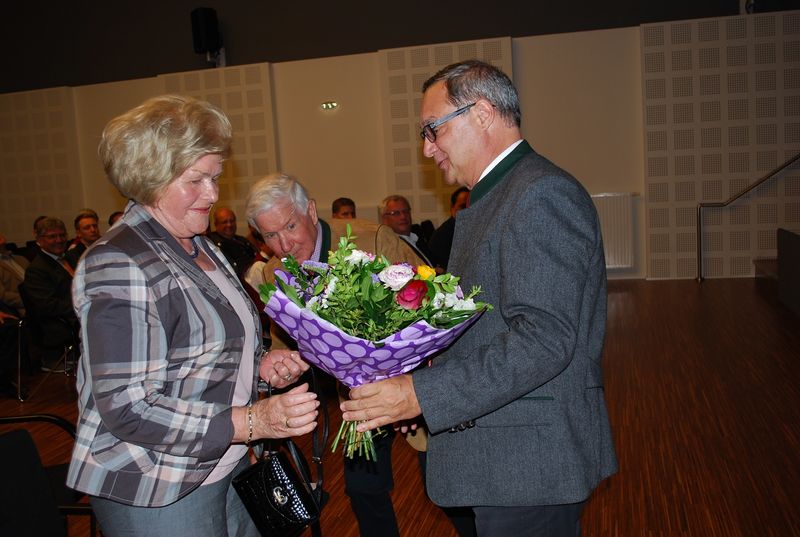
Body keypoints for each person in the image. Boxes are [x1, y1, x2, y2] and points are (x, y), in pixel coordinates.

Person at [341, 60, 618, 537]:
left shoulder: (539, 193)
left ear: (483, 113)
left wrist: (420, 395)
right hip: (506, 458)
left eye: (433, 129)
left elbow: (544, 340)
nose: (427, 148)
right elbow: (486, 328)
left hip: (529, 465)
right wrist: (419, 384)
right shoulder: (499, 196)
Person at [66, 95, 320, 537]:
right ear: (150, 178)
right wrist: (254, 421)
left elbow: (196, 353)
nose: (213, 194)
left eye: (215, 177)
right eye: (196, 180)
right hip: (157, 483)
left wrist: (258, 365)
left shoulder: (200, 245)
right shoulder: (118, 261)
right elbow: (128, 406)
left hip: (226, 462)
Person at [246, 173, 430, 537]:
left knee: (442, 488)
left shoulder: (372, 238)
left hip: (413, 385)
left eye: (290, 226)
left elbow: (429, 306)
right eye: (270, 236)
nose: (284, 244)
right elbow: (285, 342)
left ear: (311, 212)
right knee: (363, 491)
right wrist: (284, 367)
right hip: (355, 398)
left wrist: (411, 386)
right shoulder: (273, 271)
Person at [22, 217, 79, 370]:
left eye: (62, 235)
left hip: (76, 313)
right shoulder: (37, 269)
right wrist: (83, 305)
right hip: (58, 323)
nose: (59, 240)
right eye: (52, 236)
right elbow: (48, 306)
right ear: (39, 240)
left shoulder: (71, 258)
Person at [379, 195, 437, 267]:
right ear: (384, 219)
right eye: (396, 213)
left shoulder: (418, 236)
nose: (403, 216)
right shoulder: (390, 246)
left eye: (406, 211)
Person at [207, 206, 257, 278]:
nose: (229, 225)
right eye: (224, 222)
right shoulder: (210, 242)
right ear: (216, 224)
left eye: (232, 221)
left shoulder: (243, 241)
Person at [428, 186, 469, 270]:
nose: (468, 210)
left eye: (472, 205)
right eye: (463, 206)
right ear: (452, 209)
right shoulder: (443, 235)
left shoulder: (475, 229)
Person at [0, 233, 29, 314]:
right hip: (25, 308)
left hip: (45, 298)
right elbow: (3, 296)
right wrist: (31, 299)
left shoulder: (21, 258)